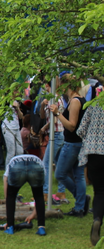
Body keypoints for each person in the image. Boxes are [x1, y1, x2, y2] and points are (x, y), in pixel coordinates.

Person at [50, 74, 89, 218]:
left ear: (67, 85)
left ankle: (81, 200)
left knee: (60, 173)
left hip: (72, 144)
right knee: (78, 175)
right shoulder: (78, 99)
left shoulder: (75, 102)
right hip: (78, 143)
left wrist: (57, 113)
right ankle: (79, 207)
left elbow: (72, 126)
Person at [77, 105, 104, 246]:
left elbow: (81, 130)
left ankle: (97, 219)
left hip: (94, 152)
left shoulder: (94, 105)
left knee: (99, 192)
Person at [3, 154, 46, 236]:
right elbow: (40, 196)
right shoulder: (40, 162)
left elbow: (5, 179)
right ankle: (41, 228)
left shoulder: (12, 161)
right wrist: (34, 214)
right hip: (36, 167)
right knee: (38, 195)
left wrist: (7, 198)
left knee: (11, 196)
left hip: (16, 167)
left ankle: (10, 227)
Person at [40, 80, 66, 203]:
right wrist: (41, 105)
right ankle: (61, 191)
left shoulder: (54, 99)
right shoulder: (50, 99)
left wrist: (44, 128)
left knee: (46, 164)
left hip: (56, 134)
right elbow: (42, 116)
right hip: (59, 134)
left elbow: (54, 120)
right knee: (60, 164)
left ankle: (45, 193)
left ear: (48, 86)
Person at [1, 98, 24, 168]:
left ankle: (18, 170)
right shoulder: (6, 101)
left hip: (16, 128)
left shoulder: (18, 102)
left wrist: (17, 108)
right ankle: (7, 172)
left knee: (20, 151)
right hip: (7, 127)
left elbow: (21, 117)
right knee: (11, 152)